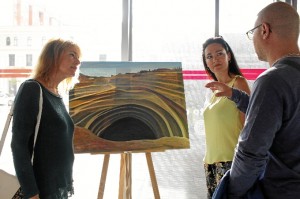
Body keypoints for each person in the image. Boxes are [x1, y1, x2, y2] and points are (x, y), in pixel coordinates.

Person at [209, 2, 300, 199]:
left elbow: (251, 153)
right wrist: (234, 95)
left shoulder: (272, 80)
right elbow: (284, 119)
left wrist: (230, 192)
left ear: (265, 30)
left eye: (253, 33)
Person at [11, 38, 81, 199]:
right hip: (40, 189)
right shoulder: (32, 89)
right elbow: (19, 145)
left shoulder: (56, 93)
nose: (77, 61)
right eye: (72, 55)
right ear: (53, 57)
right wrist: (31, 193)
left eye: (78, 57)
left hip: (58, 186)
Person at [202, 37, 250, 198]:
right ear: (206, 62)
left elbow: (249, 125)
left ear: (228, 56)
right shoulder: (213, 91)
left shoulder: (238, 83)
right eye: (209, 56)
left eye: (219, 53)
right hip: (211, 162)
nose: (215, 59)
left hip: (232, 161)